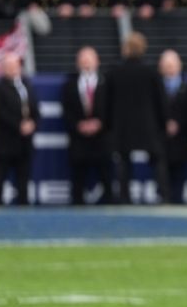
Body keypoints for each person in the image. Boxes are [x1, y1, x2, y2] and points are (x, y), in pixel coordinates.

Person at [105, 32, 168, 204]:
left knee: (124, 162)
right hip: (148, 126)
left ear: (125, 49)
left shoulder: (114, 73)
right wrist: (163, 124)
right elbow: (161, 101)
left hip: (122, 127)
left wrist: (109, 126)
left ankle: (124, 197)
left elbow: (106, 104)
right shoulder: (151, 73)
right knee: (157, 159)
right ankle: (163, 195)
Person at [61, 46, 112, 205]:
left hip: (102, 139)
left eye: (89, 60)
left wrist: (100, 123)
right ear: (78, 63)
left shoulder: (107, 83)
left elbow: (112, 108)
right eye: (83, 60)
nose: (87, 64)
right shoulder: (69, 85)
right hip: (78, 140)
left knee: (106, 175)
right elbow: (66, 110)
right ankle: (77, 207)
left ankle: (111, 206)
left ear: (97, 62)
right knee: (78, 177)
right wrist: (78, 125)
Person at [0, 53, 38, 206]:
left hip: (24, 143)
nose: (13, 69)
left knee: (23, 179)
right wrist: (19, 125)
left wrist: (33, 123)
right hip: (4, 143)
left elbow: (35, 109)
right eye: (9, 66)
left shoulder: (26, 85)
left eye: (15, 66)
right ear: (3, 68)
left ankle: (24, 208)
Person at [159, 50, 187, 203]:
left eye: (172, 64)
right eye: (166, 65)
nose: (169, 68)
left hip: (182, 140)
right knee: (162, 177)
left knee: (180, 178)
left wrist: (179, 124)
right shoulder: (157, 86)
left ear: (179, 66)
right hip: (161, 141)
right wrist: (164, 124)